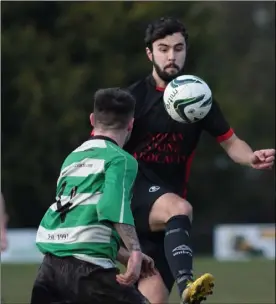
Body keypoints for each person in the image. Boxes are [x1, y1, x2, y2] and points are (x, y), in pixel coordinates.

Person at [121, 17, 275, 304]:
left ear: (185, 51)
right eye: (163, 48)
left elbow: (231, 142)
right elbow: (105, 148)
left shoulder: (199, 97)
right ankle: (188, 287)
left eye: (178, 48)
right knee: (180, 207)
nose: (171, 56)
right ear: (149, 53)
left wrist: (251, 157)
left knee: (152, 300)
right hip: (132, 201)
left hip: (166, 225)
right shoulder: (132, 99)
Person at [31, 88, 156, 304]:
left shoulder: (72, 158)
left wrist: (123, 256)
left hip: (48, 269)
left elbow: (81, 225)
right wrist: (135, 251)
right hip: (88, 273)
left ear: (92, 120)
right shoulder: (121, 159)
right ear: (131, 124)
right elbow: (112, 204)